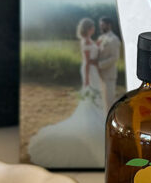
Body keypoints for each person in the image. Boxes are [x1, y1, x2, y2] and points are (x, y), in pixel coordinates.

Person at [27, 17, 106, 169]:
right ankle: (91, 120)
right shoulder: (85, 42)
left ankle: (96, 117)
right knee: (91, 94)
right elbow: (88, 62)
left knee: (96, 97)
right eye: (92, 27)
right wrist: (87, 80)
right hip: (90, 71)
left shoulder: (90, 41)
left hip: (93, 70)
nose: (94, 29)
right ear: (89, 29)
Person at [96, 16, 122, 111]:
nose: (100, 27)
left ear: (109, 25)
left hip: (109, 75)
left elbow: (115, 57)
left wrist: (99, 65)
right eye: (100, 25)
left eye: (102, 25)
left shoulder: (114, 39)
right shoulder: (101, 38)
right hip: (99, 75)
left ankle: (109, 123)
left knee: (109, 101)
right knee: (101, 101)